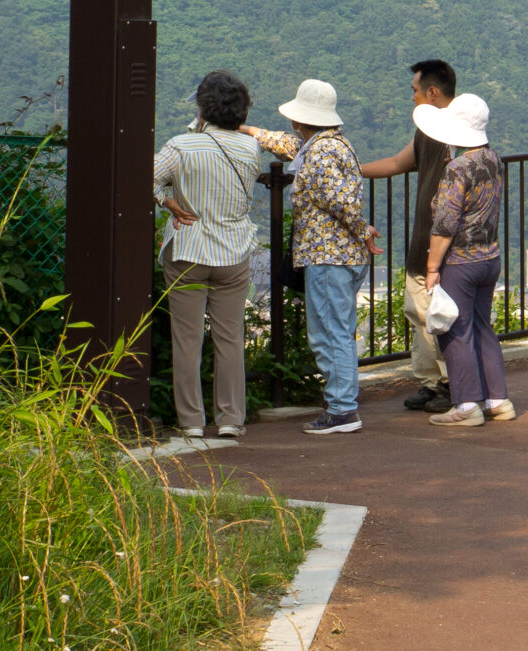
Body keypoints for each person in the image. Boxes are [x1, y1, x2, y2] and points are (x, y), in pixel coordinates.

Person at [244, 79, 375, 436]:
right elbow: (290, 147)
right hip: (342, 254)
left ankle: (342, 409)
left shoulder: (318, 153)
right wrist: (252, 131)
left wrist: (364, 229)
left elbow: (338, 198)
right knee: (340, 331)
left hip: (327, 254)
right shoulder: (330, 144)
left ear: (299, 119)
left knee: (328, 333)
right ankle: (343, 403)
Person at [152, 71, 261, 440]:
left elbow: (145, 175)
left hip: (188, 249)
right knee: (230, 337)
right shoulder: (250, 149)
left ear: (202, 108)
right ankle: (231, 418)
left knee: (188, 338)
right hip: (233, 252)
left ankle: (192, 422)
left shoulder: (181, 146)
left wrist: (167, 201)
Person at [358, 59, 459, 414]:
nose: (412, 98)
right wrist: (349, 170)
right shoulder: (439, 133)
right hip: (435, 246)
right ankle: (435, 383)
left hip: (436, 247)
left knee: (434, 316)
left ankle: (447, 385)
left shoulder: (445, 134)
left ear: (432, 92)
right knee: (424, 314)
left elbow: (397, 165)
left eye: (414, 91)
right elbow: (396, 163)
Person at [416, 91, 515, 427]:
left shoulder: (458, 169)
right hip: (490, 256)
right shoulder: (493, 159)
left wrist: (432, 268)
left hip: (461, 261)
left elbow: (445, 225)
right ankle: (498, 399)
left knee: (454, 330)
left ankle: (466, 405)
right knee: (482, 326)